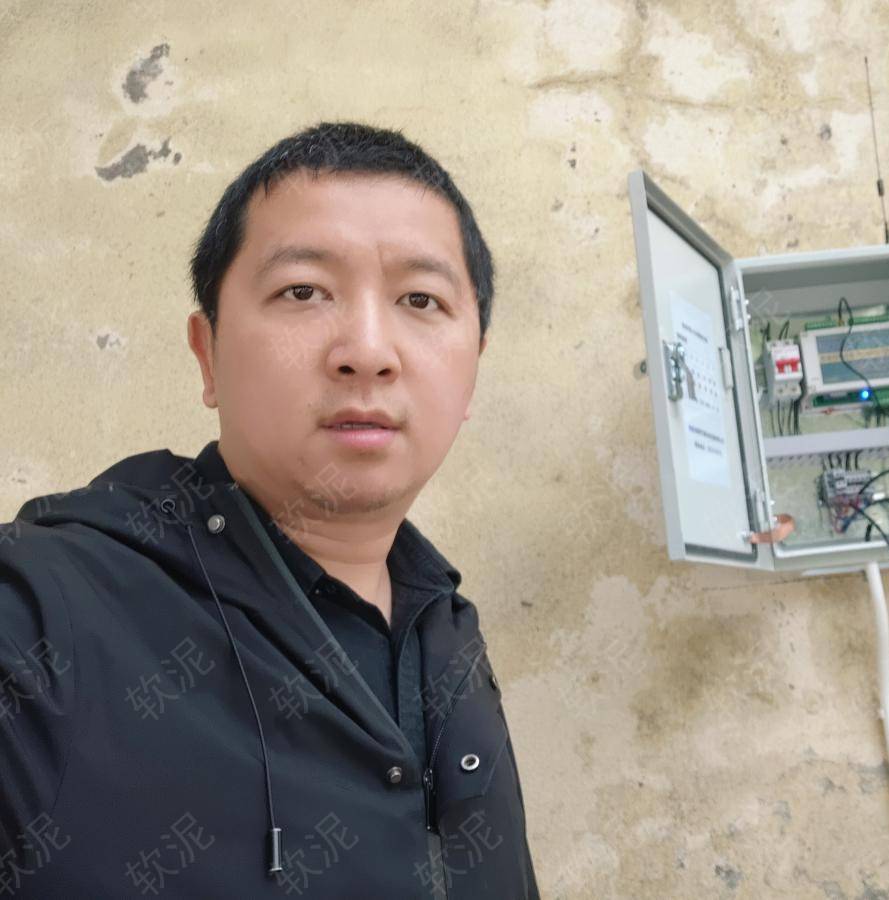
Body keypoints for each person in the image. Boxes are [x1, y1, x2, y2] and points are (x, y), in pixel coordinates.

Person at [0, 121, 539, 898]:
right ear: (208, 353)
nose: (367, 351)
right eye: (303, 291)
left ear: (472, 370)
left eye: (420, 299)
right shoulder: (42, 618)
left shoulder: (445, 631)